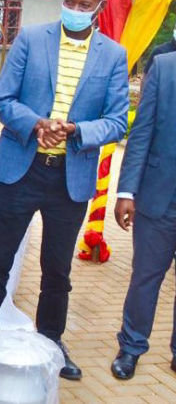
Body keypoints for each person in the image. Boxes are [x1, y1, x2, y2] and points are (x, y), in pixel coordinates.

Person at [0, 0, 129, 381]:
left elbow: (116, 121)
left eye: (83, 5)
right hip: (19, 170)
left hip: (69, 179)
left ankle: (50, 342)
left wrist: (76, 130)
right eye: (69, 1)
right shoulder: (31, 38)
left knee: (57, 270)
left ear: (100, 8)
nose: (73, 9)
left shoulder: (113, 56)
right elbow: (1, 99)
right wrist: (36, 123)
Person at [111, 52, 176, 380]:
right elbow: (141, 133)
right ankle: (131, 347)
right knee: (146, 277)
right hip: (159, 196)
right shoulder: (165, 67)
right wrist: (126, 191)